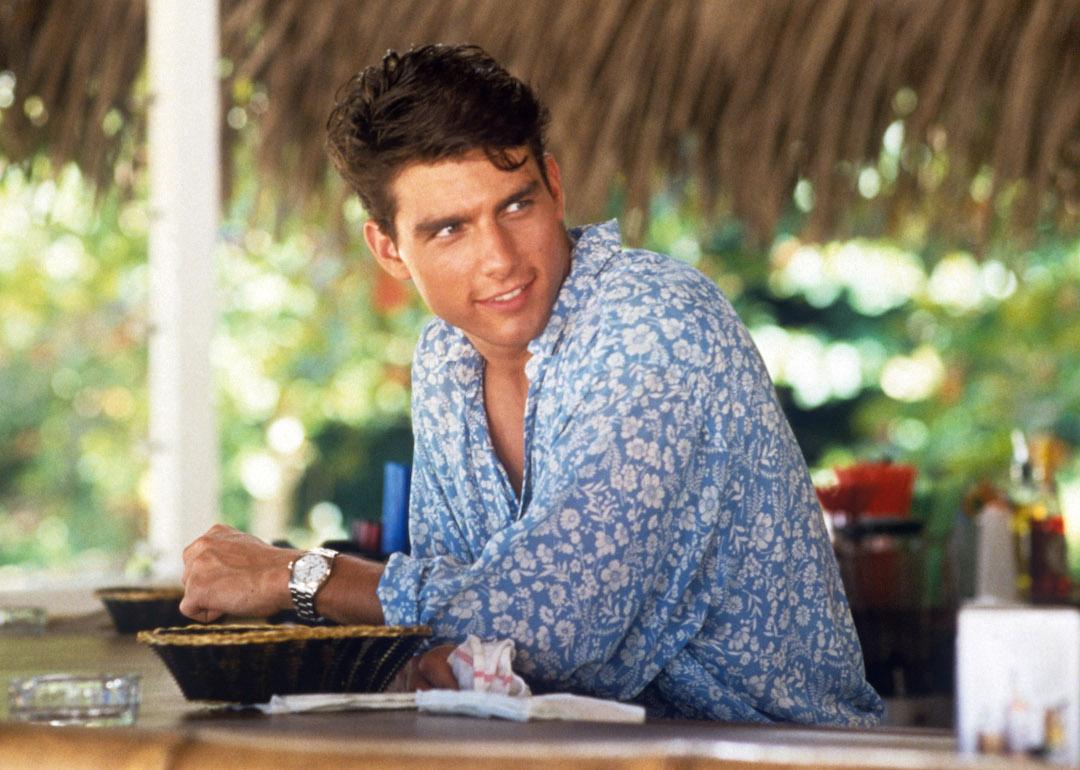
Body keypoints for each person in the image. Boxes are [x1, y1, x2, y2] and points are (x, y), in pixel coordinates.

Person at [180, 44, 883, 724]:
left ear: (553, 184)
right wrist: (444, 641)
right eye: (450, 229)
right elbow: (450, 638)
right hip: (577, 749)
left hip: (772, 749)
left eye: (515, 206)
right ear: (390, 250)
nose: (500, 260)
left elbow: (553, 628)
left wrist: (299, 576)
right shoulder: (444, 362)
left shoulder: (654, 322)